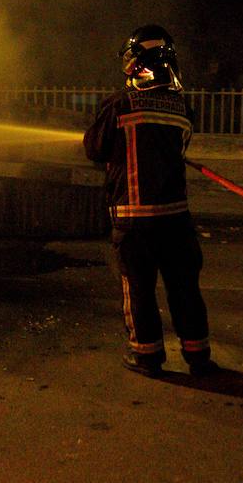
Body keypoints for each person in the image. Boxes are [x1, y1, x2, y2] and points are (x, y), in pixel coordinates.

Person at [83, 24, 219, 377]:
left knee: (139, 290)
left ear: (137, 63)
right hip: (177, 219)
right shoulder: (182, 108)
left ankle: (147, 357)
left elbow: (94, 150)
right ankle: (198, 357)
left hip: (134, 218)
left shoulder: (119, 104)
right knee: (185, 288)